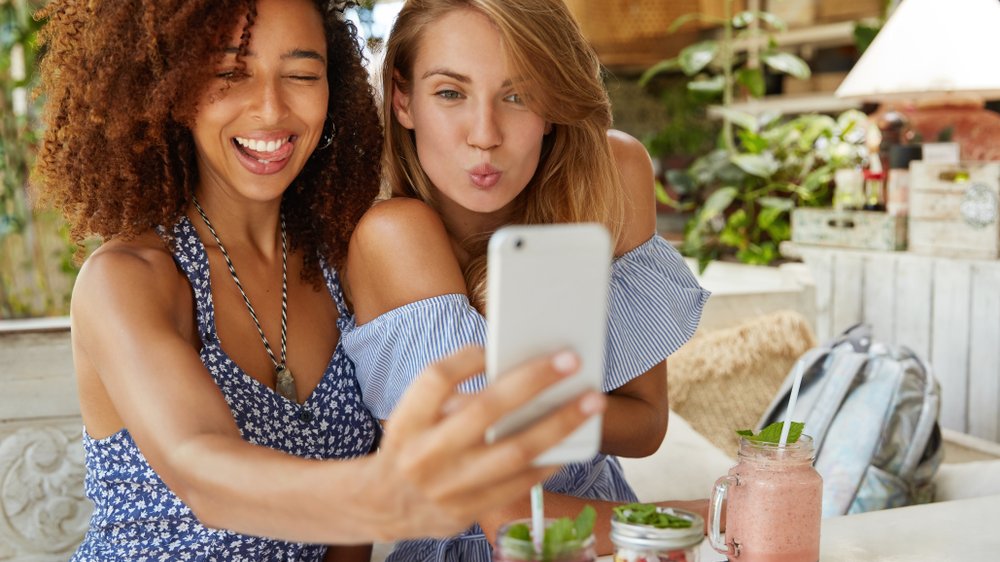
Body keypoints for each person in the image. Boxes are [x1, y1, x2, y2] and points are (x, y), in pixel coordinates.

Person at [32, 0, 605, 560]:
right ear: (170, 87)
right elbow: (200, 471)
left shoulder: (341, 265)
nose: (271, 109)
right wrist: (384, 494)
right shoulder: (127, 279)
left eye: (302, 74)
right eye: (231, 73)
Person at [339, 0, 712, 558]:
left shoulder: (612, 177)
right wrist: (719, 514)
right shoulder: (391, 234)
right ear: (403, 99)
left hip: (610, 534)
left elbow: (646, 423)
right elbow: (512, 516)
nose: (485, 135)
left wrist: (520, 410)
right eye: (450, 93)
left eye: (518, 94)